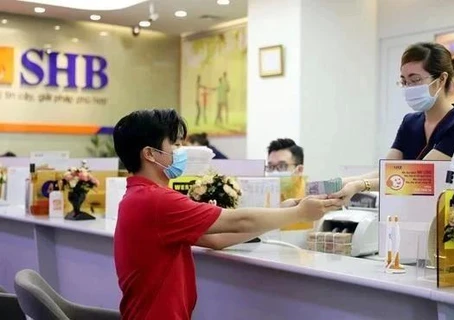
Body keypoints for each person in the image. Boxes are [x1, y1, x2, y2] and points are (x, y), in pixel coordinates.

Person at [112, 108, 342, 319]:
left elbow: (215, 239)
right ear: (150, 154)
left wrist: (284, 209)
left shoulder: (140, 197)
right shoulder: (155, 200)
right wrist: (299, 213)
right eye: (174, 145)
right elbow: (239, 220)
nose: (180, 152)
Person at [331, 42, 454, 205]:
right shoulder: (410, 122)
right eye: (404, 81)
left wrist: (359, 185)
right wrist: (340, 184)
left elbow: (419, 177)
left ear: (441, 79)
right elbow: (387, 171)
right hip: (406, 214)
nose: (409, 87)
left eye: (415, 80)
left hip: (446, 220)